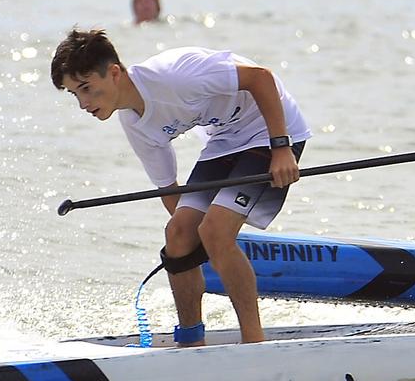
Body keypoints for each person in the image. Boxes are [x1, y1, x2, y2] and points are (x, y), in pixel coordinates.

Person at [51, 28, 307, 344]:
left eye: (87, 88)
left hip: (270, 131)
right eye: (75, 94)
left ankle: (254, 341)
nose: (83, 103)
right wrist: (189, 248)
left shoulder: (175, 77)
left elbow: (261, 78)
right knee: (177, 234)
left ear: (114, 73)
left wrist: (281, 147)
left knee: (215, 230)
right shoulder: (134, 124)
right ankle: (190, 338)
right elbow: (170, 193)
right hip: (224, 139)